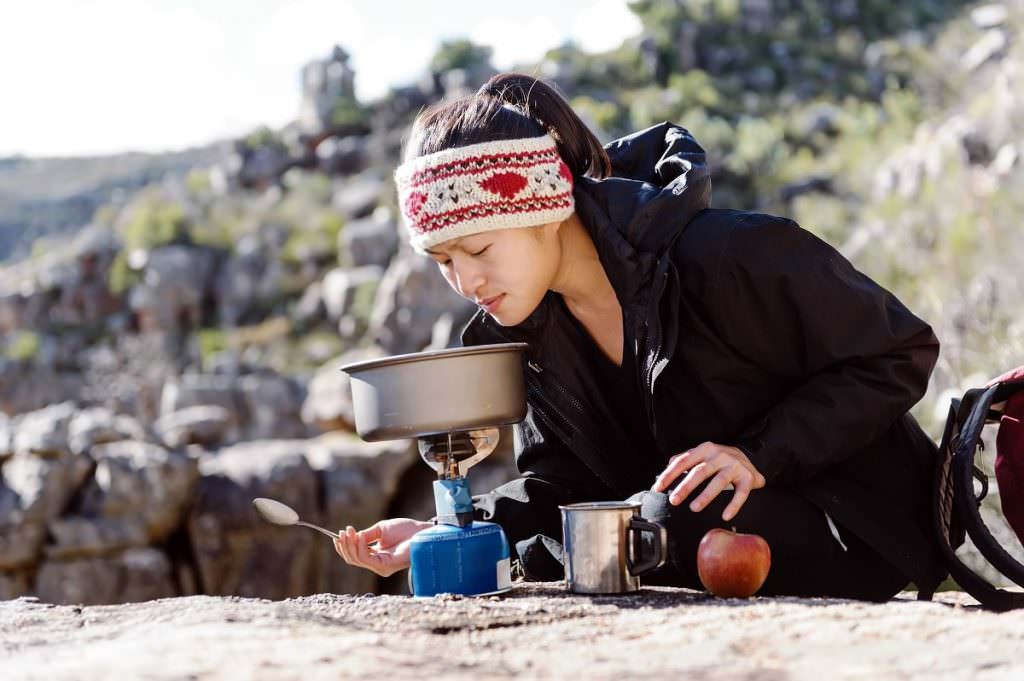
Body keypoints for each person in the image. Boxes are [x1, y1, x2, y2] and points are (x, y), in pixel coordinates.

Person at [334, 72, 947, 602]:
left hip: (855, 523)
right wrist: (454, 529)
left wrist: (759, 455)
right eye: (443, 260)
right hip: (685, 534)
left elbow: (899, 351)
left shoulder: (730, 256)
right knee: (632, 526)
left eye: (479, 247)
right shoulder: (532, 334)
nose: (465, 280)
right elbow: (563, 486)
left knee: (656, 520)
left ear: (544, 208)